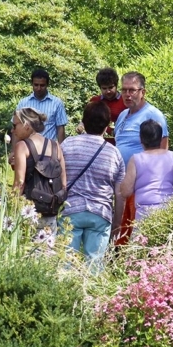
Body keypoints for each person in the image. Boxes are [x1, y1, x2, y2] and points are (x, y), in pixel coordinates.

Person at [61, 101, 126, 268]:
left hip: (70, 211)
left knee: (65, 265)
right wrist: (117, 223)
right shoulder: (114, 153)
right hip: (100, 214)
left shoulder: (67, 144)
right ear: (107, 125)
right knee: (94, 266)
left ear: (83, 122)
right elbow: (119, 194)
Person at [112, 71, 169, 244]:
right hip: (121, 184)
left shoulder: (154, 115)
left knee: (138, 235)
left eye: (132, 90)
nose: (127, 95)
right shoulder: (122, 115)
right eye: (124, 90)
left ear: (143, 92)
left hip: (141, 187)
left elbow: (163, 151)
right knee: (120, 232)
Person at [11, 107, 67, 229]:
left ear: (26, 125)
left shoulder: (22, 146)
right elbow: (63, 184)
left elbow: (19, 183)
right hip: (51, 211)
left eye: (14, 125)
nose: (12, 130)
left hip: (28, 212)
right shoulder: (55, 146)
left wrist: (11, 210)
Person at [119, 120, 173, 222]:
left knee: (143, 234)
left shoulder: (136, 159)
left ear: (141, 139)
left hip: (145, 213)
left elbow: (126, 191)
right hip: (170, 210)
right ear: (160, 138)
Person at [15, 68, 68, 142]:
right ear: (32, 84)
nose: (39, 88)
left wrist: (60, 147)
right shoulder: (23, 103)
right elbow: (16, 127)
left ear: (47, 85)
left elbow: (60, 128)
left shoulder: (57, 103)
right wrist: (15, 148)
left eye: (42, 85)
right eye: (36, 85)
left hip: (49, 147)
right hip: (27, 147)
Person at [75, 67, 126, 144]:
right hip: (96, 145)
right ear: (100, 88)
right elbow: (85, 120)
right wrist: (80, 126)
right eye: (104, 88)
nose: (108, 91)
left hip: (118, 144)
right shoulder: (94, 101)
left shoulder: (125, 102)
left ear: (116, 85)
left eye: (111, 87)